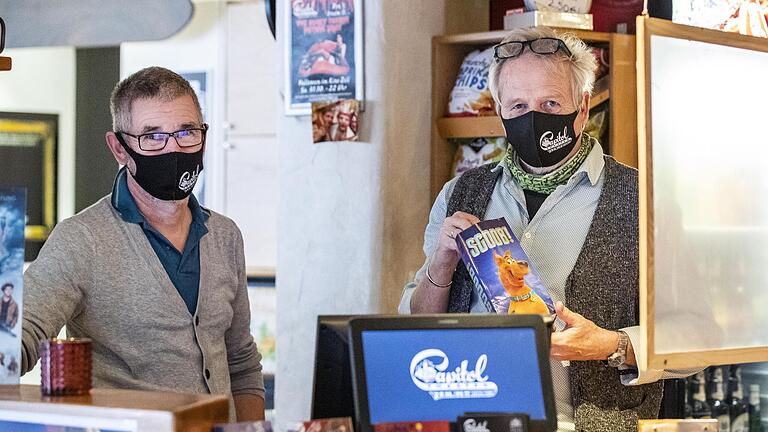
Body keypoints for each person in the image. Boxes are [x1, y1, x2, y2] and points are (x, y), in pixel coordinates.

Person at [399, 27, 696, 431]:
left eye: (550, 101)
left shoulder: (644, 201)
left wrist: (614, 345)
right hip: (468, 421)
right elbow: (416, 324)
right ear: (500, 112)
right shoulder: (459, 193)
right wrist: (442, 263)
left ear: (583, 106)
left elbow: (696, 336)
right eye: (518, 105)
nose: (533, 117)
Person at [21, 67, 265, 421]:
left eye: (186, 132)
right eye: (152, 137)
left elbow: (240, 362)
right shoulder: (82, 239)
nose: (175, 148)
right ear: (119, 148)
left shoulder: (225, 236)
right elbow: (23, 332)